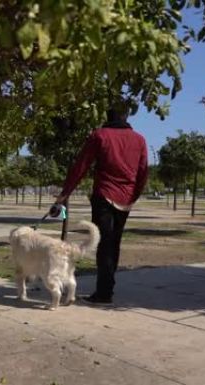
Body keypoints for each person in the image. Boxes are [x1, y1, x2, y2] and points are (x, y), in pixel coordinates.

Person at [54, 106, 148, 304]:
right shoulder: (139, 139)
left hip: (104, 195)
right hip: (126, 198)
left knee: (104, 242)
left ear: (107, 116)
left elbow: (81, 166)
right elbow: (143, 172)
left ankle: (104, 292)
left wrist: (65, 193)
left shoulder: (100, 135)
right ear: (126, 116)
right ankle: (107, 288)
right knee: (114, 242)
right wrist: (134, 196)